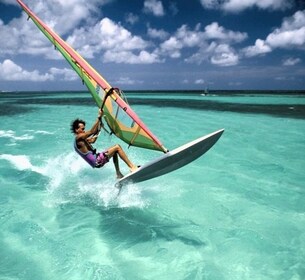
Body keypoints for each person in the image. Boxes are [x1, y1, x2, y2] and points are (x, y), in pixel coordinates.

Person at [71, 108, 138, 179]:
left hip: (97, 161)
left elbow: (93, 140)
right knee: (117, 147)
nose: (84, 131)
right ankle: (132, 167)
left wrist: (99, 127)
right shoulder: (78, 138)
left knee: (114, 151)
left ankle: (118, 174)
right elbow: (91, 131)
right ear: (76, 130)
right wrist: (99, 116)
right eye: (82, 129)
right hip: (97, 160)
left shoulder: (80, 141)